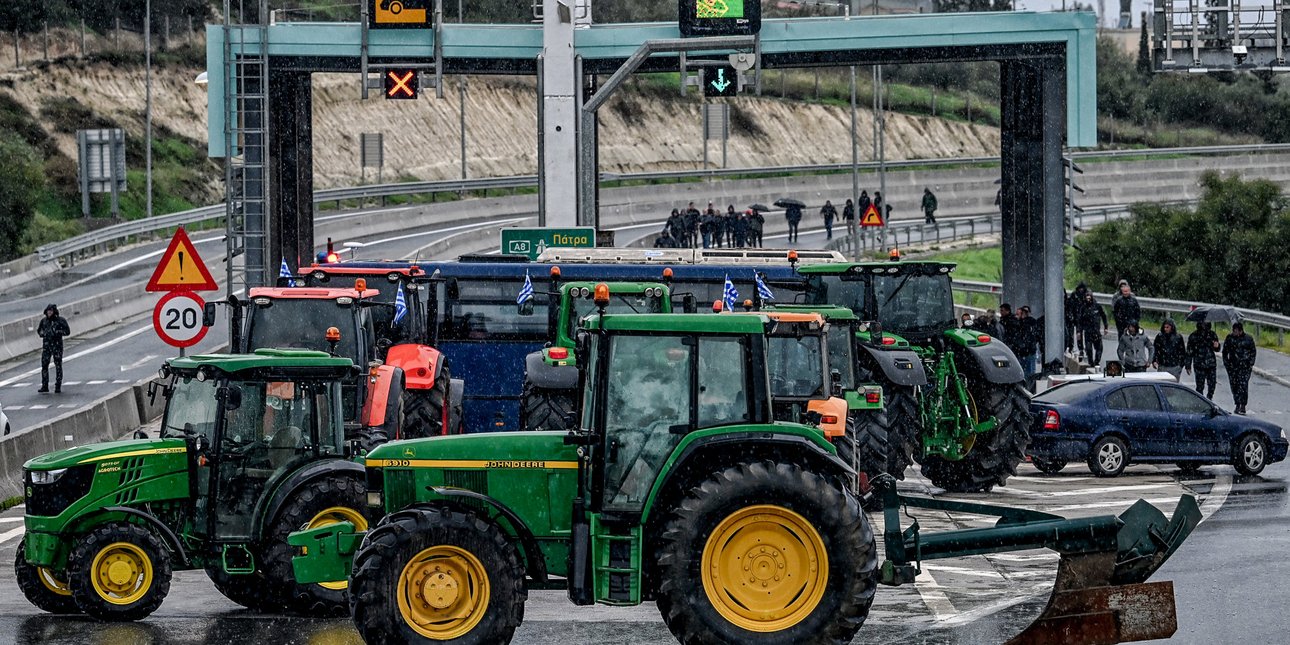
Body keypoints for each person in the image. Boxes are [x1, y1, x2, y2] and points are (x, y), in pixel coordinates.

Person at [1222, 322, 1257, 415]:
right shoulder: (1229, 339)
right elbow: (1224, 352)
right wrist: (1227, 364)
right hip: (1233, 367)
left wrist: (1250, 363)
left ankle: (1243, 405)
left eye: (1236, 331)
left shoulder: (1248, 339)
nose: (1234, 332)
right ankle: (1237, 403)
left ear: (1240, 331)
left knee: (1243, 385)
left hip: (1245, 367)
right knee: (1234, 386)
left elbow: (1253, 351)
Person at [37, 304, 70, 394]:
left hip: (57, 346)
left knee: (58, 365)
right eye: (48, 311)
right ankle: (45, 385)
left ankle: (58, 385)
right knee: (44, 365)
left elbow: (67, 331)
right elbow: (39, 330)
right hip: (47, 347)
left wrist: (57, 332)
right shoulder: (44, 321)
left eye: (51, 311)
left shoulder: (60, 321)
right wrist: (43, 333)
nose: (49, 313)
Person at [1187, 321, 1220, 399]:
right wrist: (1188, 364)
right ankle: (1201, 400)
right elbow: (1189, 351)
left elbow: (1217, 349)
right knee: (1199, 385)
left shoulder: (1212, 334)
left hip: (1211, 363)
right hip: (1199, 363)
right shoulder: (1194, 336)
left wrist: (1217, 346)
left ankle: (1209, 397)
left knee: (1212, 384)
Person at [1016, 306, 1041, 379]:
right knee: (1030, 371)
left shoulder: (1021, 324)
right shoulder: (1033, 323)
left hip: (1023, 351)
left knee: (1024, 371)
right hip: (1030, 350)